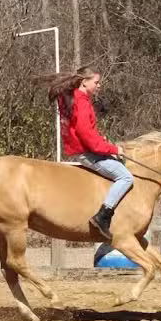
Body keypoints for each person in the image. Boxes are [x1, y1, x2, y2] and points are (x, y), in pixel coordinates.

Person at [37, 65, 133, 240]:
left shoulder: (75, 99)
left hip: (82, 149)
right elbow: (86, 136)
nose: (99, 85)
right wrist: (114, 149)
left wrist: (101, 140)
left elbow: (86, 132)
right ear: (84, 82)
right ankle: (102, 216)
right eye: (96, 82)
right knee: (126, 177)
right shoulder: (81, 103)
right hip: (86, 152)